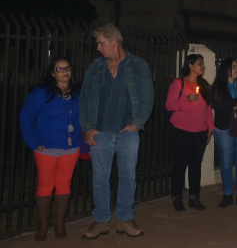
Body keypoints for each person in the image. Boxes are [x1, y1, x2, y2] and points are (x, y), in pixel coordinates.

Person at [79, 24, 154, 239]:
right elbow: (83, 101)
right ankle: (101, 221)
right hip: (100, 132)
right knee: (100, 178)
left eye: (101, 43)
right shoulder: (95, 67)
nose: (98, 48)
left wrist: (136, 124)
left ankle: (124, 219)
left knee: (128, 177)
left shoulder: (139, 65)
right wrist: (87, 127)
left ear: (114, 41)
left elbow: (148, 99)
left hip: (127, 133)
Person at [19, 57, 82, 241]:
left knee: (64, 184)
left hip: (71, 147)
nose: (65, 71)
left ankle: (59, 224)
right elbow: (26, 118)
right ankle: (43, 226)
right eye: (59, 68)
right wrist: (32, 141)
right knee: (45, 185)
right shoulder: (41, 93)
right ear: (52, 73)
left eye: (68, 68)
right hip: (45, 147)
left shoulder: (78, 93)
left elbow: (85, 116)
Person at [165, 54, 214, 212]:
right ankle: (177, 198)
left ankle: (194, 197)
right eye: (200, 64)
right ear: (191, 66)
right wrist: (186, 100)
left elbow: (208, 108)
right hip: (181, 131)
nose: (203, 66)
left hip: (200, 132)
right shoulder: (178, 83)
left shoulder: (204, 85)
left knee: (195, 166)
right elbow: (169, 105)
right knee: (179, 166)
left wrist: (210, 127)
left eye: (203, 63)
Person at [209, 58, 237, 208]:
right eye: (234, 67)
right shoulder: (218, 86)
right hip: (223, 128)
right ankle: (227, 194)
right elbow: (215, 105)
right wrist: (234, 104)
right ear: (226, 69)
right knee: (227, 163)